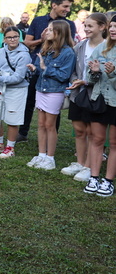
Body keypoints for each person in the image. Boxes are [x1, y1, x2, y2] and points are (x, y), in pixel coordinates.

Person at [18, 0, 77, 142]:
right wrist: (41, 40)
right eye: (65, 6)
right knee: (29, 101)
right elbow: (27, 43)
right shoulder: (38, 21)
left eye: (69, 7)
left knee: (54, 106)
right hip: (37, 67)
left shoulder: (69, 25)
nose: (67, 10)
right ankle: (22, 133)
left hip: (56, 70)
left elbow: (68, 45)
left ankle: (52, 136)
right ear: (54, 5)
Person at [26, 20, 76, 170]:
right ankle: (41, 155)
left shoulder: (68, 52)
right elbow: (40, 68)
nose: (46, 32)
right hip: (41, 89)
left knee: (50, 125)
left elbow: (64, 75)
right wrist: (35, 68)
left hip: (55, 91)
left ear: (59, 33)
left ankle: (50, 158)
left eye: (49, 29)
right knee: (41, 124)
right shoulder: (46, 48)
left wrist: (45, 68)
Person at [63, 13, 107, 181]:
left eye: (90, 26)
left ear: (102, 27)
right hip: (77, 94)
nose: (86, 29)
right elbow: (73, 69)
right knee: (79, 129)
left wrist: (86, 82)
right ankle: (80, 163)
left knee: (91, 132)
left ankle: (89, 166)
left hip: (96, 94)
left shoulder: (107, 47)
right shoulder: (80, 46)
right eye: (85, 25)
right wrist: (75, 80)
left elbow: (106, 74)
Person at [0, 26, 31, 158]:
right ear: (4, 39)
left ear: (19, 38)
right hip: (0, 86)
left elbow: (18, 77)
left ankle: (10, 147)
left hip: (16, 89)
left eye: (15, 37)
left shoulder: (24, 55)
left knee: (12, 118)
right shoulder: (0, 52)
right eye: (9, 37)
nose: (12, 39)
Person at [83, 16, 116, 196]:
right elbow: (90, 78)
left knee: (114, 143)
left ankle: (108, 181)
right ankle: (94, 177)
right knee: (96, 139)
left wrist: (112, 74)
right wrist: (95, 72)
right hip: (100, 100)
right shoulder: (101, 48)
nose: (112, 30)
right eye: (111, 26)